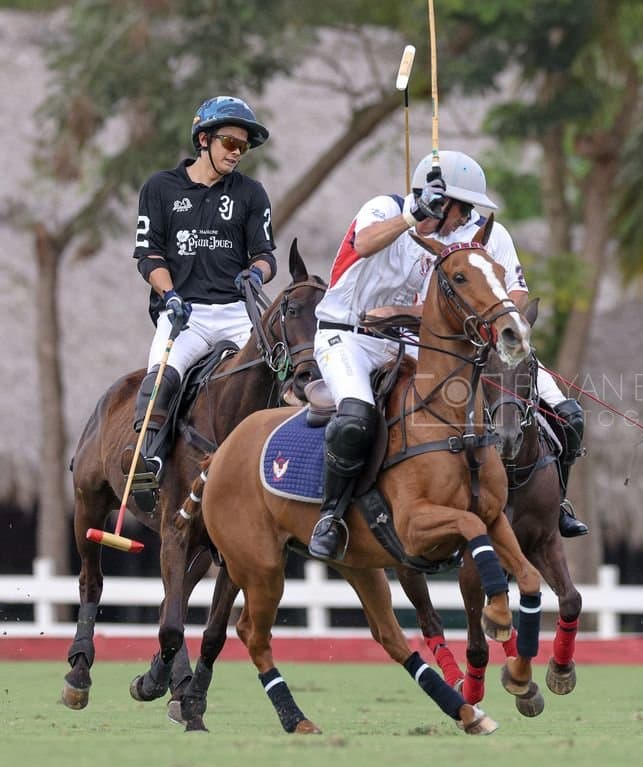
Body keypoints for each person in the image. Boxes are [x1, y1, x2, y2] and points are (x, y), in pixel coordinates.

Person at [308, 150, 588, 561]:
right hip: (347, 336)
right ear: (439, 201)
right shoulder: (385, 209)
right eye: (464, 207)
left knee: (555, 414)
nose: (468, 217)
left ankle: (546, 502)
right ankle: (331, 516)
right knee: (355, 418)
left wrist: (495, 326)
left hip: (417, 341)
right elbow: (363, 243)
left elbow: (509, 292)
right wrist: (412, 215)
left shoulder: (469, 238)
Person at [130, 95, 276, 488]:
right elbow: (149, 255)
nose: (237, 152)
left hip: (236, 313)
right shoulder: (160, 188)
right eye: (230, 142)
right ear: (203, 140)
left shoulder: (251, 193)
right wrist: (170, 296)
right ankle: (148, 462)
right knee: (162, 378)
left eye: (243, 146)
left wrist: (255, 275)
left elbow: (265, 255)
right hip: (185, 314)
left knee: (279, 374)